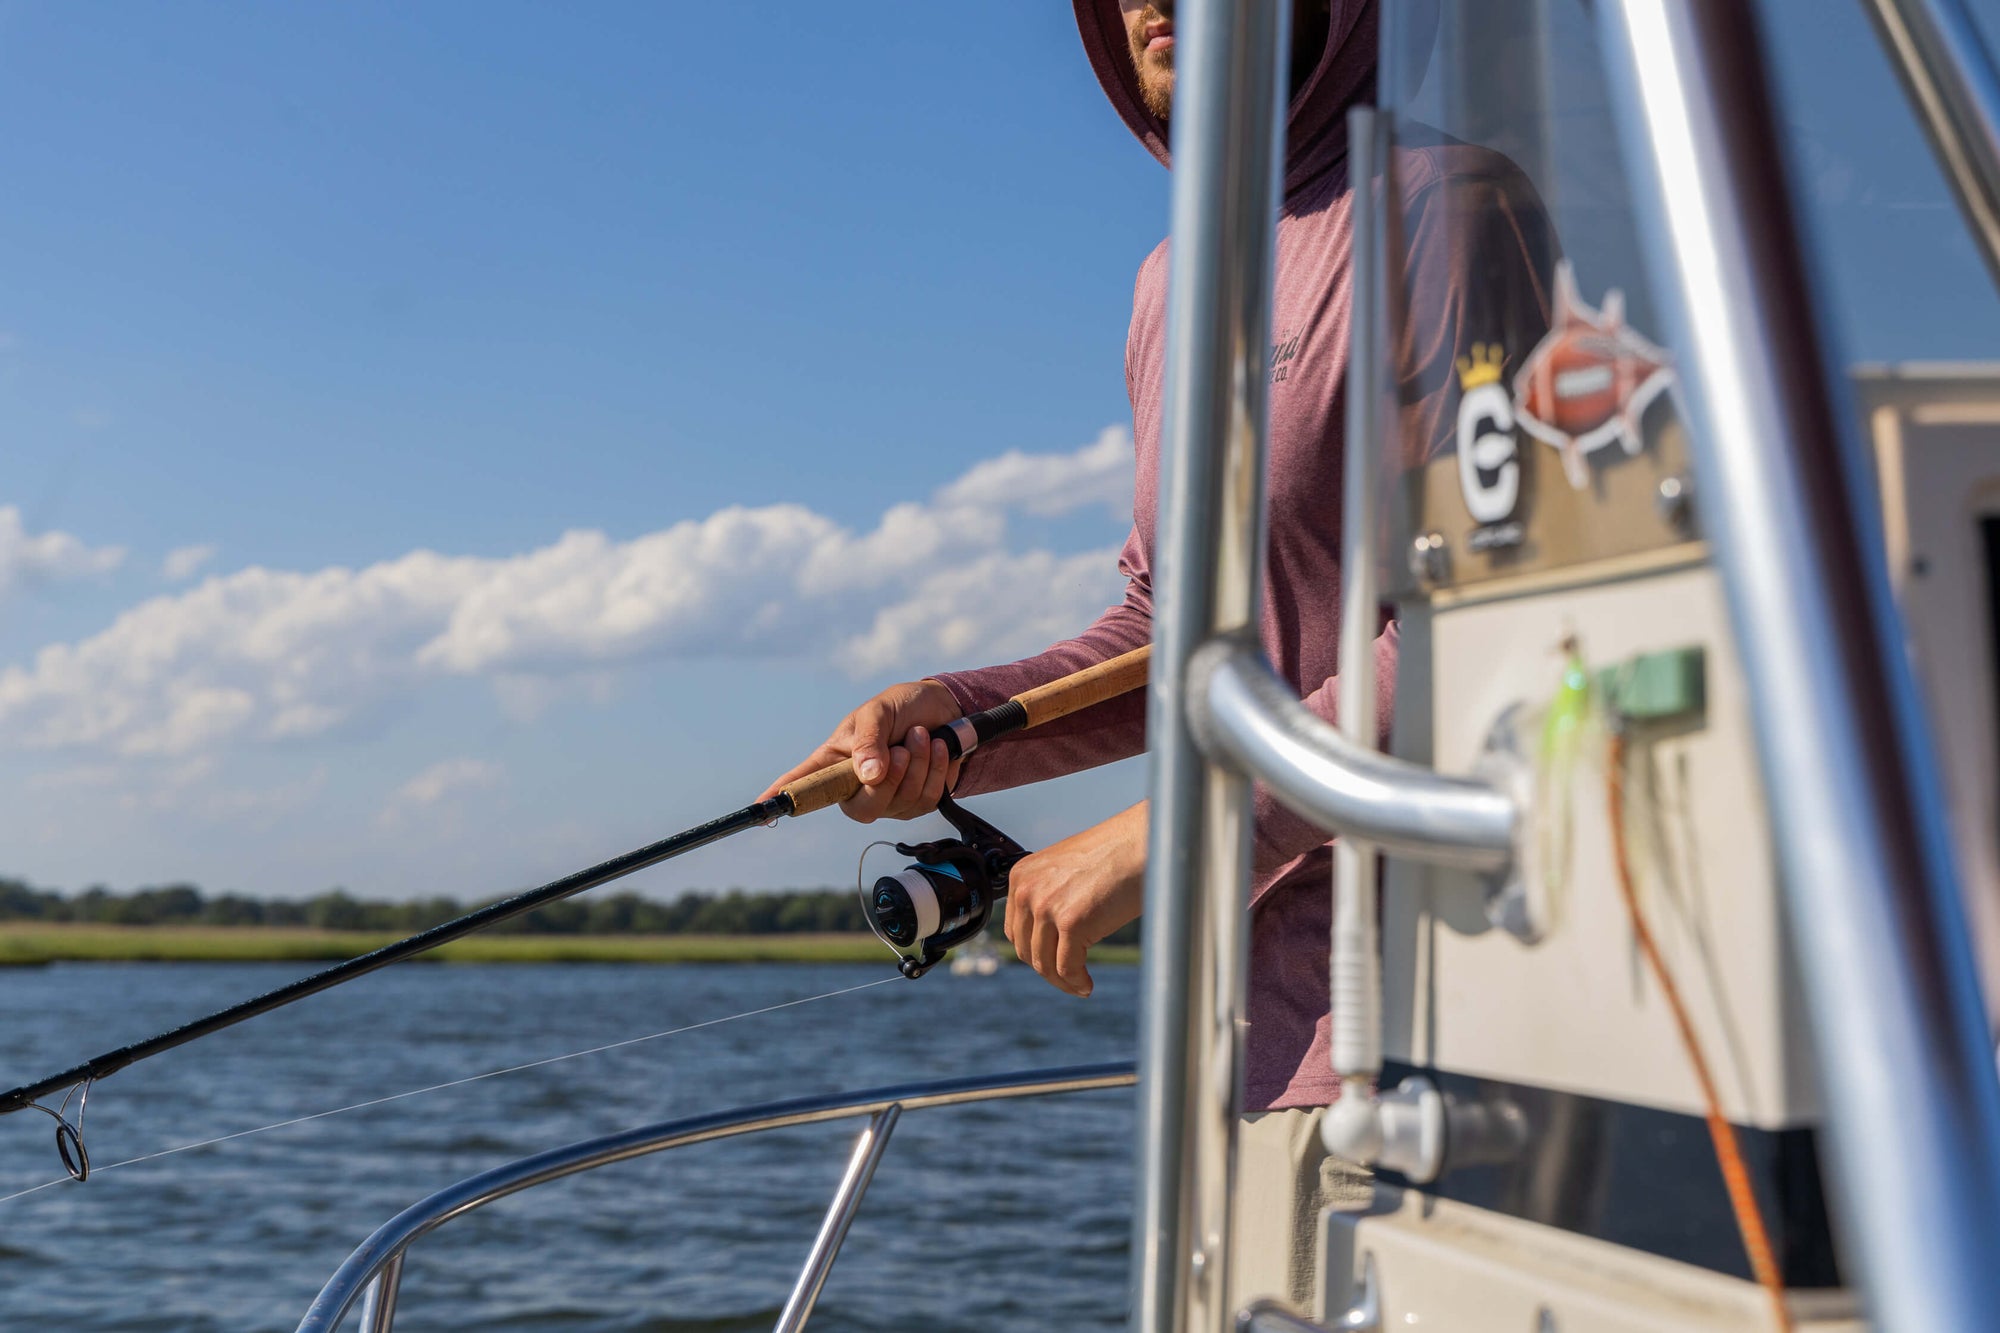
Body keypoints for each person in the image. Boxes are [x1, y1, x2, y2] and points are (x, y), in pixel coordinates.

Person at [765, 0, 1553, 1313]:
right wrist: (953, 720)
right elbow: (1178, 634)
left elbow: (1482, 618)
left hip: (1425, 1043)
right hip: (1230, 1041)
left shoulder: (1449, 210)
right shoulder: (1168, 282)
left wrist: (1173, 836)